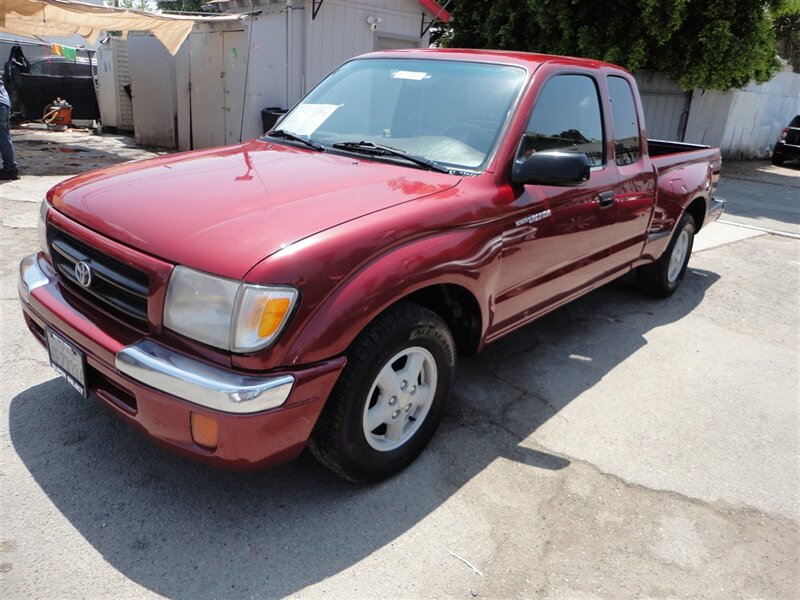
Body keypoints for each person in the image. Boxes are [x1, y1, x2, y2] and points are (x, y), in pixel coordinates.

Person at [0, 72, 19, 180]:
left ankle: (10, 168)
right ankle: (11, 167)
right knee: (4, 137)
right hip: (4, 103)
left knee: (3, 137)